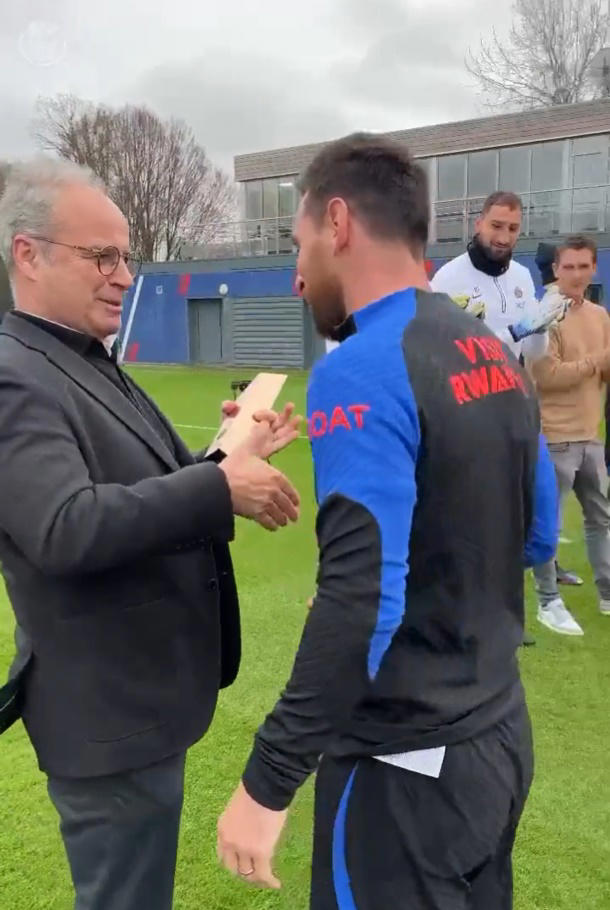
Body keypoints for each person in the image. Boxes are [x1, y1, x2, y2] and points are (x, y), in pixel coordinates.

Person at [217, 133, 558, 909]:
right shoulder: (492, 349)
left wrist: (268, 782)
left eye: (299, 244)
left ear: (338, 224)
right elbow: (537, 533)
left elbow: (362, 596)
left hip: (405, 766)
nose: (298, 275)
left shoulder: (359, 366)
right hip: (500, 736)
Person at [0, 156, 301, 910]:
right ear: (27, 254)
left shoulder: (77, 355)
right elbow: (65, 526)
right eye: (102, 256)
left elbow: (135, 483)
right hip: (107, 715)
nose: (125, 276)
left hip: (140, 700)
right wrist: (217, 488)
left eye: (126, 257)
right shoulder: (14, 372)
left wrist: (229, 456)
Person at [527, 235, 610, 635]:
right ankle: (547, 599)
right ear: (556, 269)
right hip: (554, 437)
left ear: (594, 268)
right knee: (548, 523)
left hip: (591, 435)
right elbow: (546, 376)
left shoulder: (600, 315)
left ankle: (607, 592)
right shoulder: (544, 314)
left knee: (600, 518)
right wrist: (597, 362)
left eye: (583, 266)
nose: (576, 274)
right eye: (569, 267)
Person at [430, 191, 568, 363]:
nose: (504, 239)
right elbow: (436, 350)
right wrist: (514, 333)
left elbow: (532, 353)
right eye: (496, 226)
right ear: (478, 225)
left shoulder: (522, 275)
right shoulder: (448, 277)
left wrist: (540, 329)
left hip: (511, 379)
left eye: (513, 229)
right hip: (463, 380)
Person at [534, 241, 583, 588]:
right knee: (548, 503)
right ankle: (547, 579)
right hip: (548, 421)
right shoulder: (551, 305)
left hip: (557, 420)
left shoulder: (557, 303)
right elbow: (544, 369)